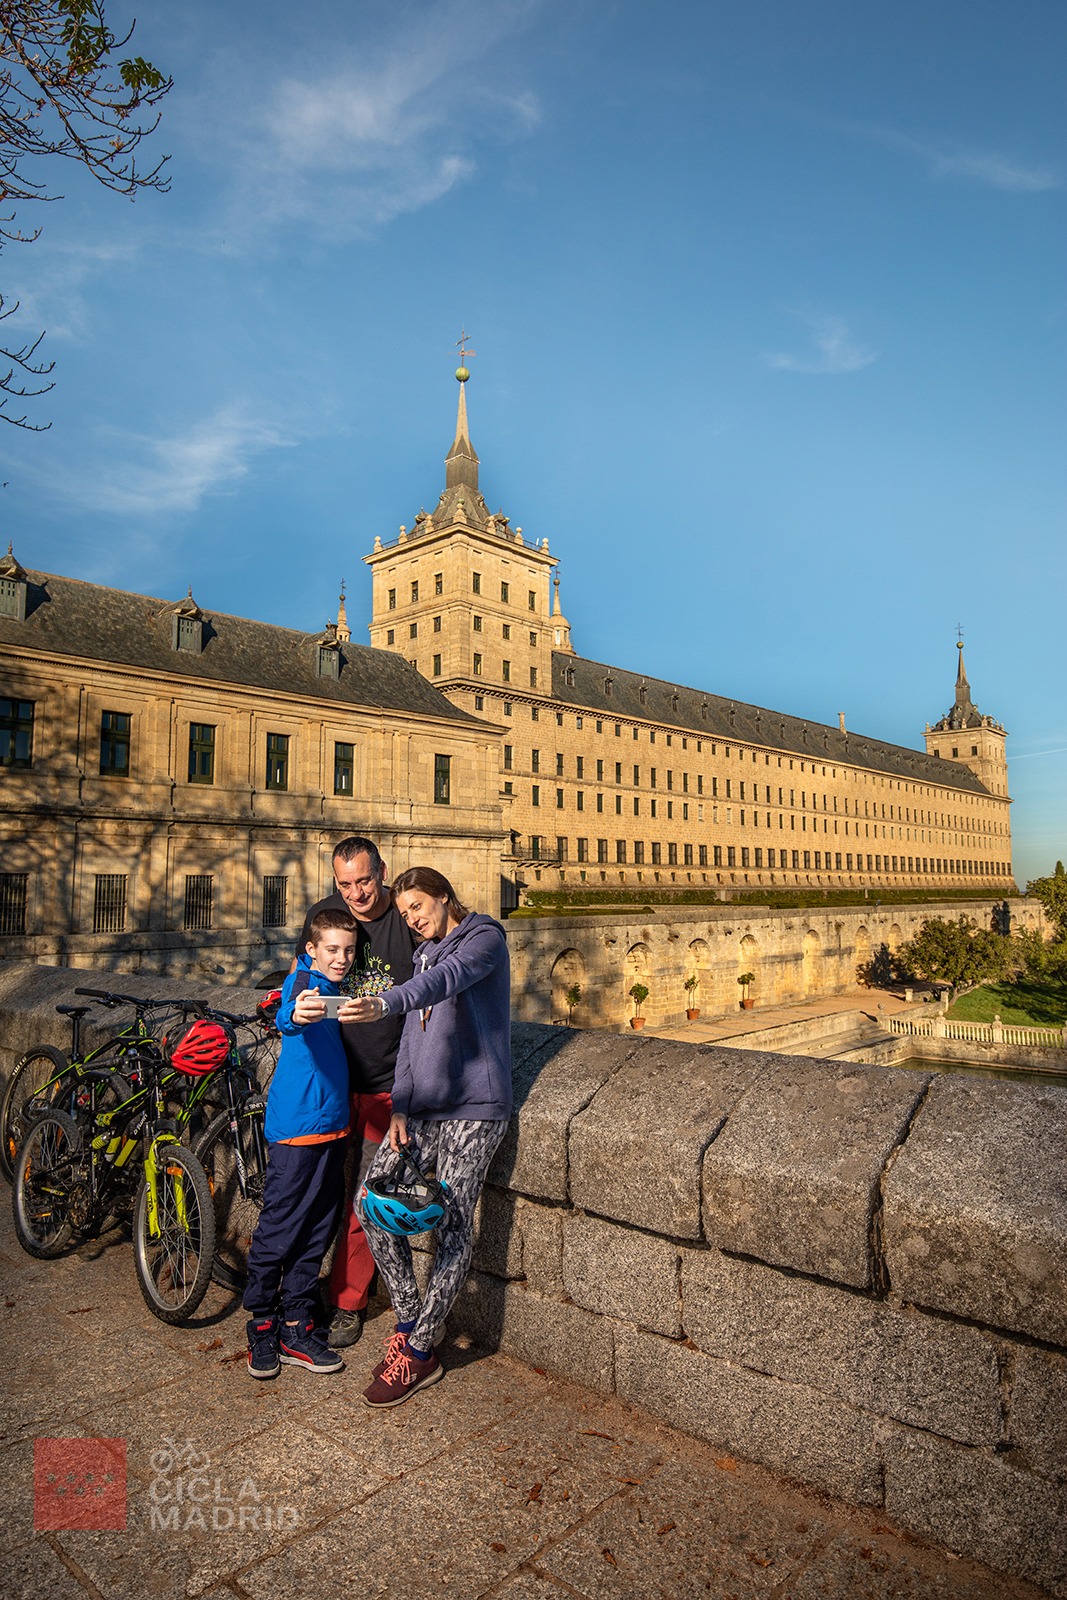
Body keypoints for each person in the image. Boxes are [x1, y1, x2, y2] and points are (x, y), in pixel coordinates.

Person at [344, 867, 512, 1408]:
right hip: (422, 1112)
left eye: (419, 906)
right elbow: (413, 1046)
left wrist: (389, 999)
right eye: (406, 911)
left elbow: (445, 982)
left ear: (444, 897)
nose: (412, 919)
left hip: (475, 1108)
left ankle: (418, 1350)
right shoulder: (422, 954)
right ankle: (411, 1315)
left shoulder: (484, 940)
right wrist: (401, 1102)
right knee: (370, 1203)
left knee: (455, 1221)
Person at [293, 836, 417, 1349]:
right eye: (345, 885)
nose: (356, 894)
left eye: (364, 881)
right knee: (317, 1192)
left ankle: (348, 1302)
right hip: (332, 1083)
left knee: (366, 1198)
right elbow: (300, 980)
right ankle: (302, 1291)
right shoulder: (326, 916)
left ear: (382, 871)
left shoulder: (407, 921)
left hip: (387, 1086)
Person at [245, 907, 360, 1380]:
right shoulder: (305, 982)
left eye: (349, 950)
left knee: (317, 1226)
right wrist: (296, 1010)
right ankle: (261, 1324)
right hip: (297, 1130)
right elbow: (290, 1015)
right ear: (311, 951)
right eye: (332, 949)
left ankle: (296, 1323)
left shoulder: (338, 988)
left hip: (333, 1126)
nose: (341, 958)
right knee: (280, 1225)